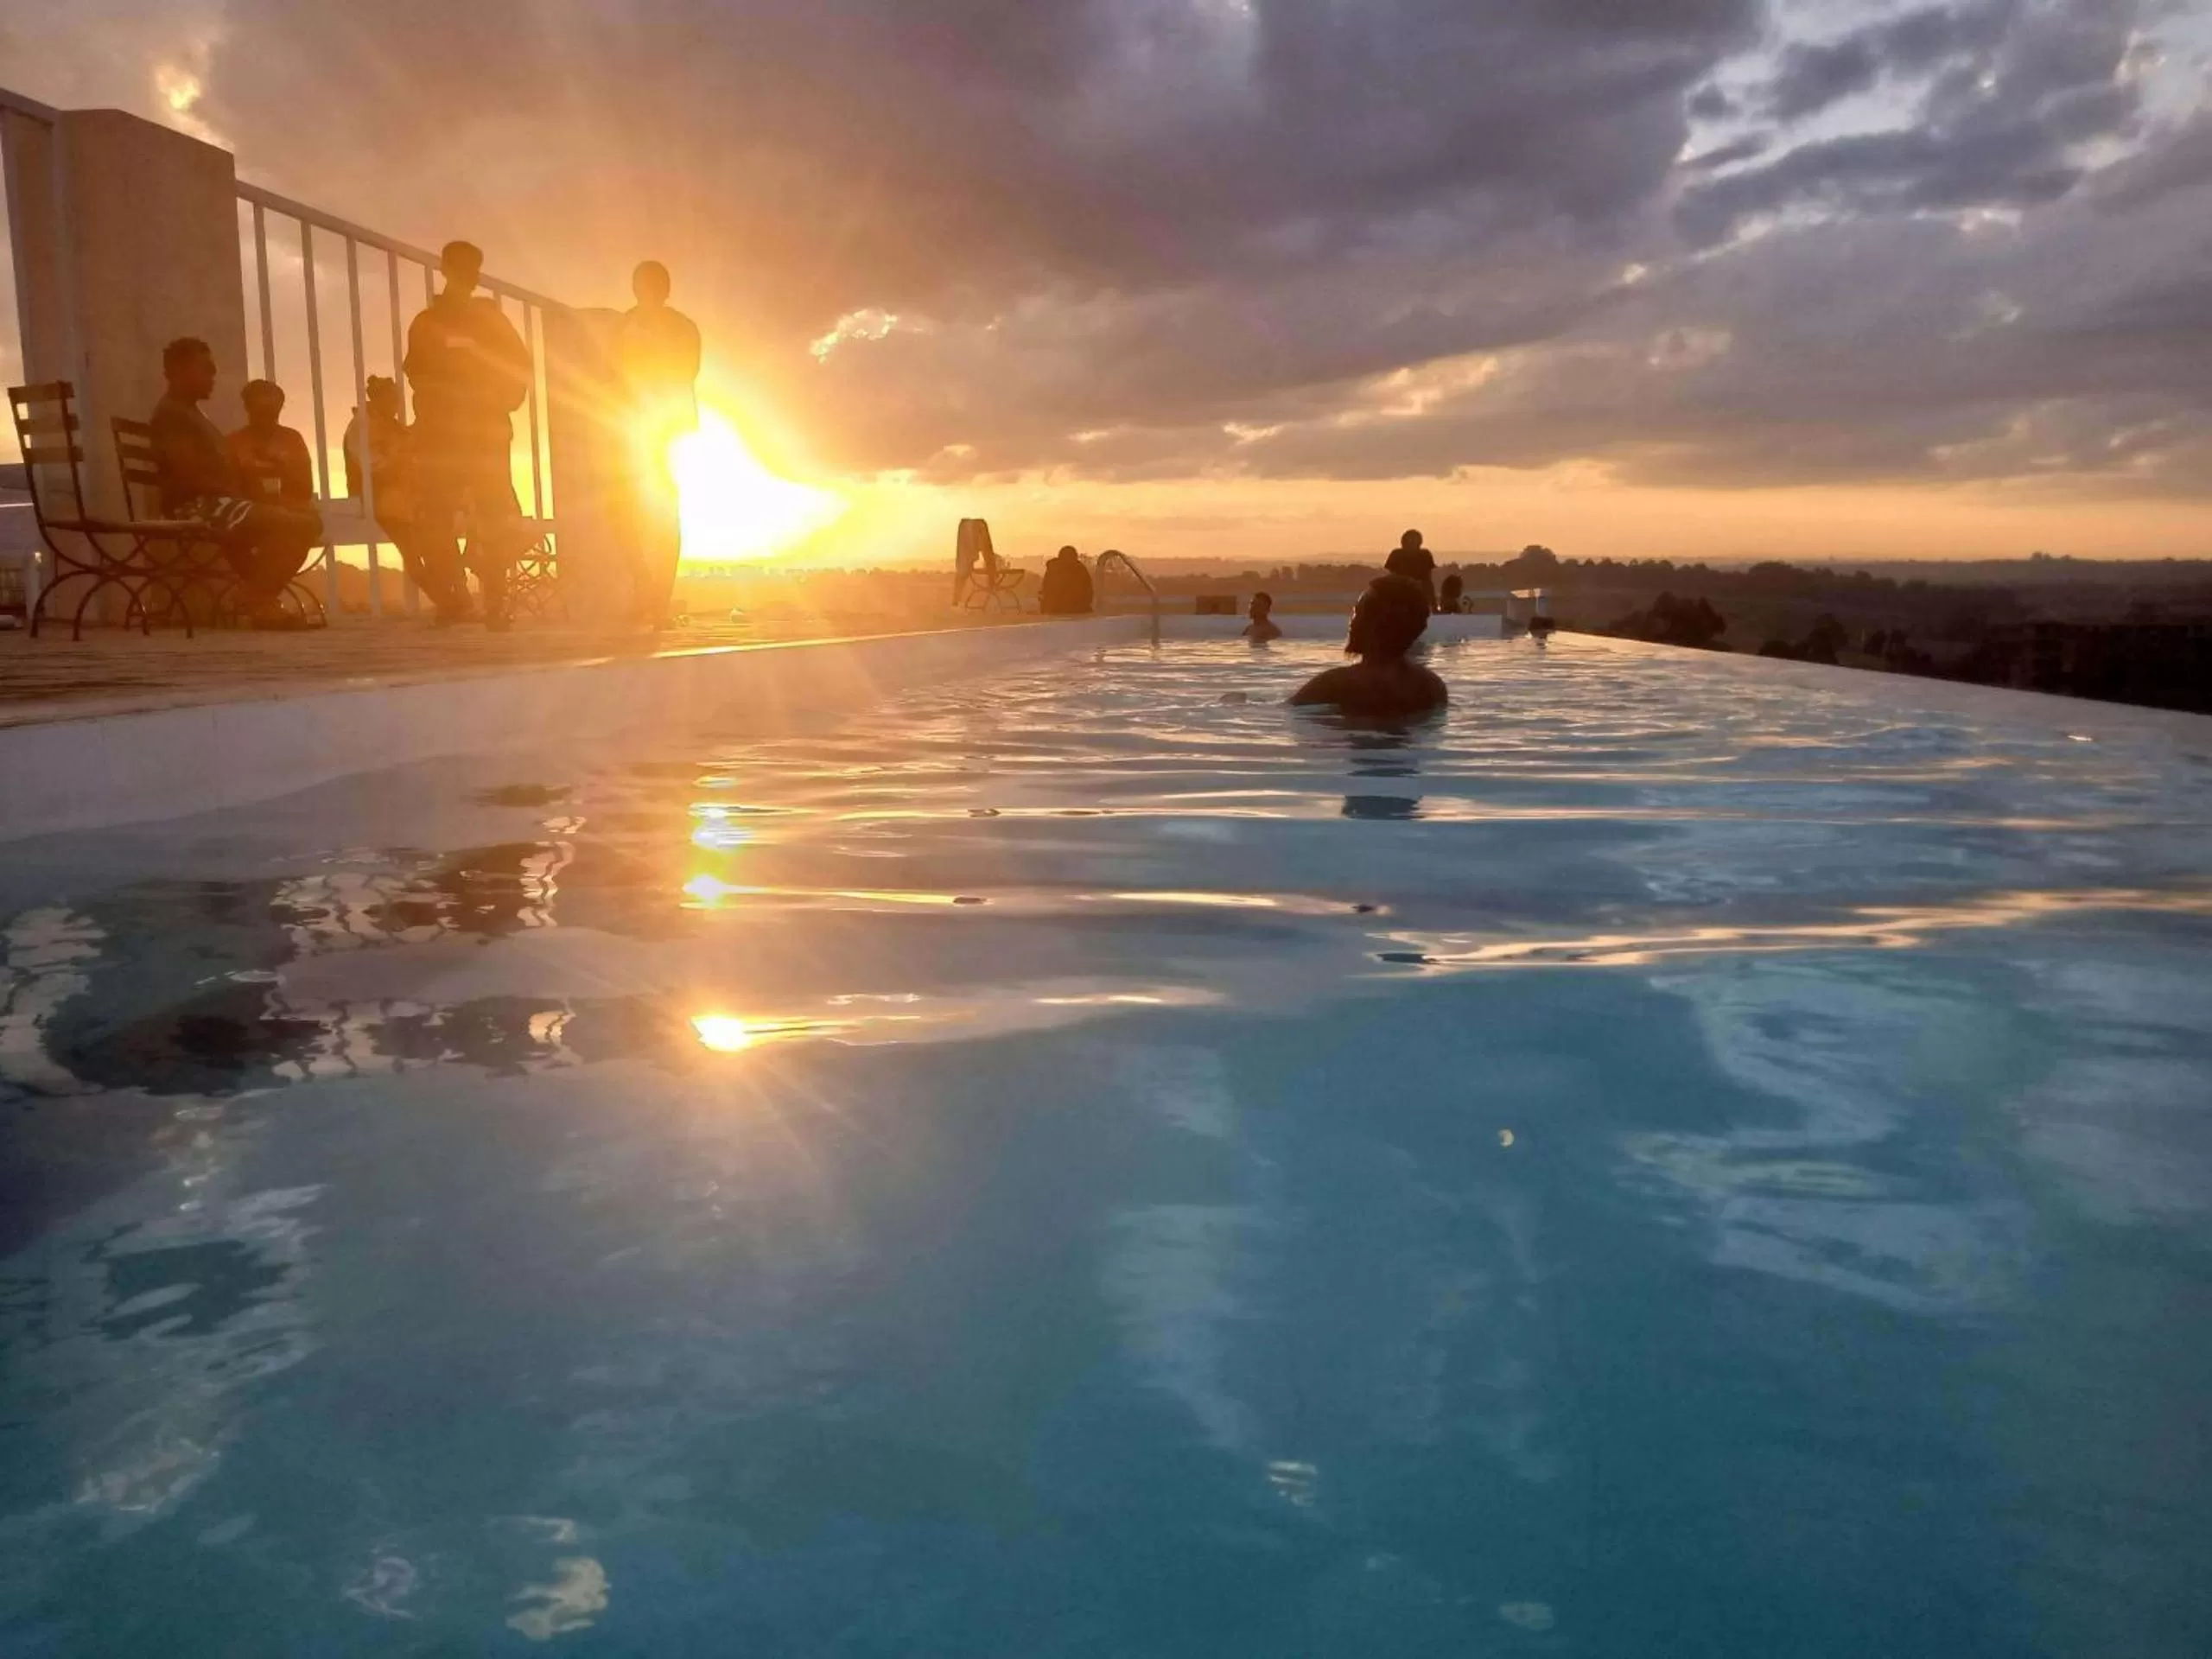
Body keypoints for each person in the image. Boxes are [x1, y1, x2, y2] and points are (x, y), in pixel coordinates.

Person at [404, 239, 533, 631]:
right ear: (445, 268)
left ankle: (494, 601)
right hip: (443, 438)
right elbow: (418, 375)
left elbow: (519, 367)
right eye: (462, 266)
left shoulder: (492, 318)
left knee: (495, 517)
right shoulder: (426, 322)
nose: (469, 275)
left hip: (485, 435)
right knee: (437, 518)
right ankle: (455, 599)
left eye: (474, 268)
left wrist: (500, 401)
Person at [148, 338, 321, 627]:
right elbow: (189, 476)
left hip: (217, 504)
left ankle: (262, 602)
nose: (213, 377)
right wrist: (240, 495)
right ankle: (257, 598)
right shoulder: (174, 415)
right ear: (179, 371)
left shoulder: (188, 413)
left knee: (294, 524)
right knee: (302, 524)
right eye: (206, 369)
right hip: (200, 507)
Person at [617, 259, 702, 630]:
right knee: (622, 510)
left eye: (653, 285)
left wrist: (650, 353)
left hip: (664, 427)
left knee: (664, 513)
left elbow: (686, 370)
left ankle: (659, 597)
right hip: (624, 424)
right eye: (642, 285)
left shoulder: (682, 327)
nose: (647, 292)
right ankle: (644, 587)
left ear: (665, 290)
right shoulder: (623, 324)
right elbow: (607, 369)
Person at [343, 375, 469, 621]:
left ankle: (452, 600)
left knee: (432, 542)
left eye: (396, 400)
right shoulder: (365, 425)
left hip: (408, 500)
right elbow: (375, 465)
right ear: (376, 399)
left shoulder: (391, 426)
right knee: (414, 552)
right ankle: (449, 601)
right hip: (387, 501)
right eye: (391, 400)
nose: (395, 405)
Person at [1290, 574, 1447, 718]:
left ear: (1375, 623)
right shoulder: (1432, 687)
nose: (1351, 622)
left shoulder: (1334, 684)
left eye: (1357, 612)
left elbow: (1290, 716)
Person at [227, 380, 317, 510]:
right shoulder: (234, 442)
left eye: (272, 412)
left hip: (290, 512)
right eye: (261, 411)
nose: (267, 418)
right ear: (248, 407)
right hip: (250, 512)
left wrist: (282, 469)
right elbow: (227, 490)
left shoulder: (292, 439)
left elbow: (306, 489)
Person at [1384, 528, 1436, 609]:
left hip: (1416, 594)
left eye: (1414, 542)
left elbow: (1428, 581)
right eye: (1410, 541)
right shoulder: (1396, 554)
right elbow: (1392, 578)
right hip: (1402, 594)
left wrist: (1433, 604)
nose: (1412, 544)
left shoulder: (1425, 555)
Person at [1037, 545, 1093, 615]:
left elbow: (1088, 591)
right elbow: (1047, 589)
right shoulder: (1078, 569)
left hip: (1063, 610)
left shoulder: (1079, 569)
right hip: (1064, 610)